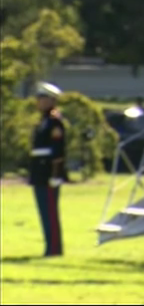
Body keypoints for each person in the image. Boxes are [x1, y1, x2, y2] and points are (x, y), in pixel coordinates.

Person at [29, 81, 68, 257]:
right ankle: (49, 246)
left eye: (42, 98)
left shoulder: (54, 122)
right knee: (44, 212)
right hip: (39, 173)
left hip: (48, 174)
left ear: (51, 100)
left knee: (50, 213)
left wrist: (55, 175)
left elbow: (58, 151)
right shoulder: (43, 121)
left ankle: (54, 249)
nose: (39, 102)